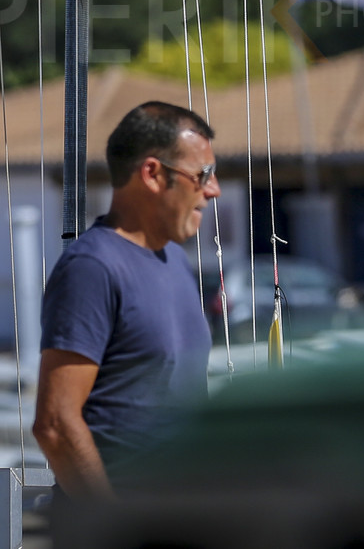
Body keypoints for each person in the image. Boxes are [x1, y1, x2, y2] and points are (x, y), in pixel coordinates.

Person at [33, 100, 219, 500]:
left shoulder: (175, 261)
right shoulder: (92, 268)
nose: (213, 190)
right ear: (152, 174)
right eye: (202, 174)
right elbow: (55, 424)